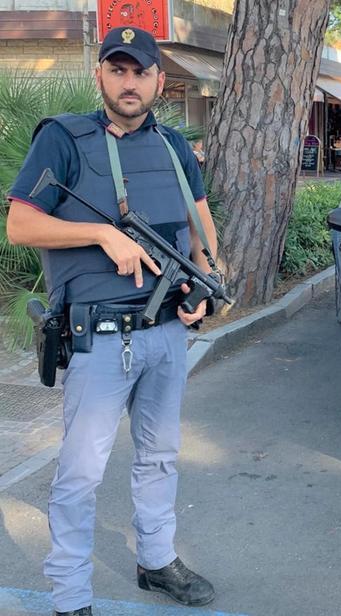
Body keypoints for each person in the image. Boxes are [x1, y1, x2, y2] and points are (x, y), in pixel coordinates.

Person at [5, 27, 218, 615]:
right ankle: (71, 595)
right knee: (79, 474)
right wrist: (101, 233)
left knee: (160, 456)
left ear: (158, 80)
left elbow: (200, 229)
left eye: (140, 71)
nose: (130, 82)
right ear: (99, 75)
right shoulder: (63, 140)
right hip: (98, 341)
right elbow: (20, 225)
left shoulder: (175, 146)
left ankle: (156, 559)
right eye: (117, 70)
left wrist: (203, 283)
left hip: (167, 334)